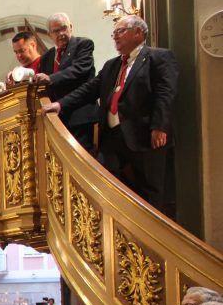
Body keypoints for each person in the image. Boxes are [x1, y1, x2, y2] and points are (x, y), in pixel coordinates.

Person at [45, 15, 179, 217]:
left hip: (144, 136)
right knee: (112, 189)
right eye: (114, 33)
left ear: (138, 33)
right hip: (112, 138)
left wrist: (160, 126)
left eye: (120, 31)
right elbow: (89, 90)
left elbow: (165, 94)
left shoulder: (158, 57)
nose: (115, 36)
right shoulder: (112, 65)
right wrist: (60, 105)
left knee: (151, 193)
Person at [35, 12, 98, 152]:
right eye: (56, 31)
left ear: (71, 27)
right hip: (56, 118)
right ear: (49, 34)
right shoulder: (47, 57)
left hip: (79, 115)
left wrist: (51, 78)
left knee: (80, 157)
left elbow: (79, 69)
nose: (61, 33)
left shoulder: (84, 44)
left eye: (64, 28)